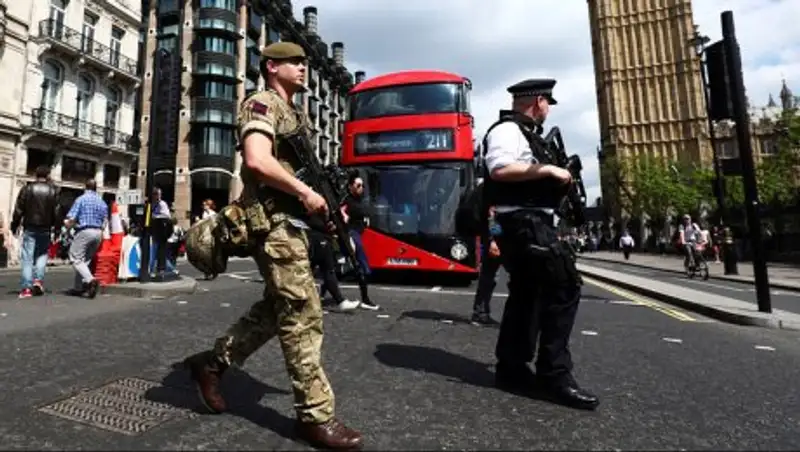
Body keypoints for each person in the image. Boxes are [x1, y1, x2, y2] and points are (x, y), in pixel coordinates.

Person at [183, 42, 362, 450]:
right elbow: (259, 161)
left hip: (293, 223)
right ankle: (315, 416)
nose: (303, 68)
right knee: (303, 313)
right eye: (295, 62)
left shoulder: (295, 114)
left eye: (305, 62)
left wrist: (329, 210)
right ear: (271, 66)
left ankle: (210, 365)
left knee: (276, 308)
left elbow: (303, 175)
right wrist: (305, 193)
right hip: (273, 225)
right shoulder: (260, 103)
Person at [482, 78, 599, 411]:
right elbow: (500, 169)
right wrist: (548, 170)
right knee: (564, 287)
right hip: (523, 224)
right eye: (548, 102)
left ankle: (512, 368)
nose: (548, 109)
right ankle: (554, 374)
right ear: (537, 101)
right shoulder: (508, 130)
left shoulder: (529, 134)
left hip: (531, 223)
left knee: (528, 294)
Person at [10, 165, 61, 298]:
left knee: (27, 257)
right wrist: (57, 230)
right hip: (45, 228)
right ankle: (38, 281)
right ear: (48, 175)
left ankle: (26, 289)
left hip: (30, 227)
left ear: (36, 175)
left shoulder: (27, 189)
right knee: (42, 254)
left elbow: (19, 209)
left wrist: (14, 225)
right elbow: (57, 212)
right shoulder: (53, 191)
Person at [340, 173, 379, 311]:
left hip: (357, 233)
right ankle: (366, 300)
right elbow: (341, 212)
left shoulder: (360, 199)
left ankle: (325, 292)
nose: (361, 188)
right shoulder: (348, 201)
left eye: (362, 185)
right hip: (351, 234)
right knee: (361, 266)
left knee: (330, 268)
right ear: (350, 187)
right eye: (358, 185)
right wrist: (345, 218)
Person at [64, 179, 108, 299]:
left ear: (86, 187)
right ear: (96, 188)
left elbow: (72, 218)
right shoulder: (102, 202)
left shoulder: (81, 199)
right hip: (98, 232)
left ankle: (90, 280)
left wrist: (67, 226)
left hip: (85, 231)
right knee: (85, 261)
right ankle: (78, 287)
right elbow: (105, 221)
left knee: (75, 258)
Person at [307, 215, 360, 311]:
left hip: (318, 236)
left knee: (314, 270)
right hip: (319, 236)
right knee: (328, 270)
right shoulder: (317, 204)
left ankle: (317, 298)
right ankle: (340, 301)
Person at [471, 205, 502, 326]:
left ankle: (480, 312)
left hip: (502, 237)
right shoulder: (497, 192)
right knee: (489, 277)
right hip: (499, 239)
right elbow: (492, 215)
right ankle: (480, 313)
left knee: (490, 277)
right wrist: (493, 239)